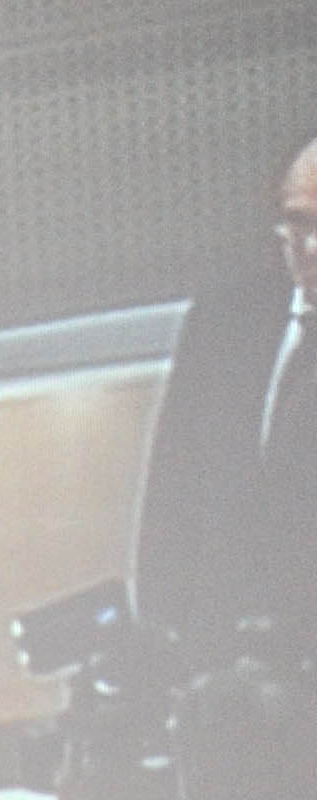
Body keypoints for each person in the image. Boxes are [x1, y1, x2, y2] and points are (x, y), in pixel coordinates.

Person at [132, 132, 317, 650]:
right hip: (220, 654)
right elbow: (171, 494)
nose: (311, 248)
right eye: (299, 224)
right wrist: (163, 636)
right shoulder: (224, 325)